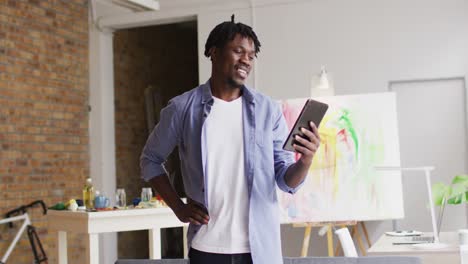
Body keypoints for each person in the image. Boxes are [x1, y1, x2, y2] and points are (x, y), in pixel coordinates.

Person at [140, 15, 320, 264]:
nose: (246, 59)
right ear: (213, 52)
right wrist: (178, 207)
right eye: (238, 51)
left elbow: (285, 180)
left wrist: (305, 161)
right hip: (206, 248)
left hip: (259, 251)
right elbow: (150, 160)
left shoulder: (268, 110)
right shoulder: (182, 108)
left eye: (252, 54)